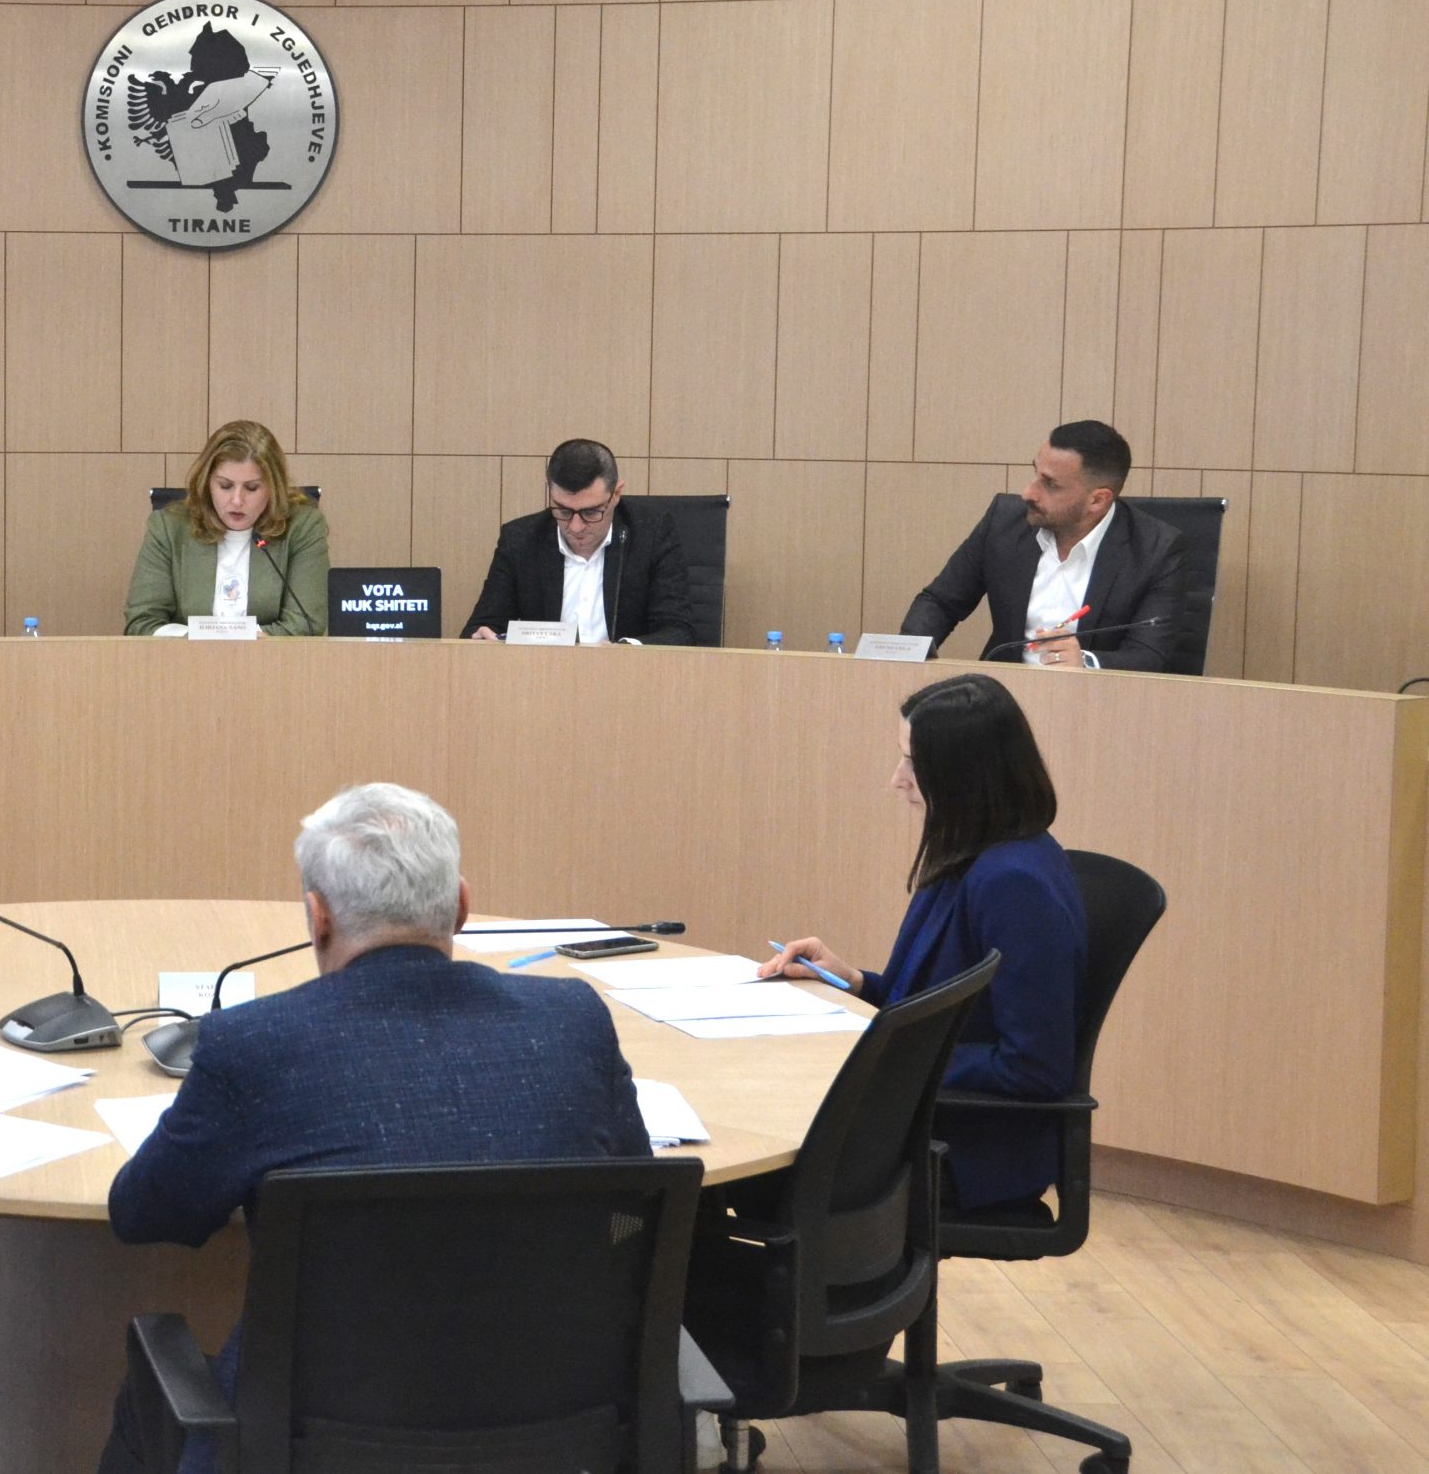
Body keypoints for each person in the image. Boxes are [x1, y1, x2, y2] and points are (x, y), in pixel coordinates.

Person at [97, 782, 652, 1474]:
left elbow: (143, 1213)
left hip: (308, 1447)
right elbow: (635, 1201)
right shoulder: (572, 1020)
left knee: (144, 1400)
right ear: (461, 905)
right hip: (557, 1432)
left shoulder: (254, 1044)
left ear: (318, 916)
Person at [759, 673, 1086, 1211]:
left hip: (964, 1151)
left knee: (747, 1180)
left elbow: (1034, 1068)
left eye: (913, 764)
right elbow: (930, 1003)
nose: (897, 780)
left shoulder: (1015, 884)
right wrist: (853, 981)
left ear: (964, 775)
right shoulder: (970, 855)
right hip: (914, 1126)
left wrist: (885, 1058)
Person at [901, 420, 1188, 671]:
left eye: (1050, 484)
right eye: (1036, 473)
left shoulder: (1156, 550)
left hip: (1094, 701)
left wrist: (1085, 662)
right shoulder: (1004, 522)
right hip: (1004, 697)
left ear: (1097, 500)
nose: (1028, 493)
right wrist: (910, 656)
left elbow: (1149, 654)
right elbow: (940, 602)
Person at [461, 438, 693, 644]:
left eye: (591, 512)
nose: (575, 527)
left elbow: (679, 631)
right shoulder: (521, 539)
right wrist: (482, 637)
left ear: (616, 494)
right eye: (563, 510)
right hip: (543, 673)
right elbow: (481, 626)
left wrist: (624, 652)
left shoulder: (652, 534)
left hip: (629, 674)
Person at [123, 419, 329, 636]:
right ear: (206, 483)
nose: (237, 500)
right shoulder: (169, 528)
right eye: (225, 486)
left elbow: (306, 623)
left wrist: (231, 641)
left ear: (273, 488)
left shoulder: (302, 527)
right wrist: (204, 642)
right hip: (184, 657)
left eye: (252, 488)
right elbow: (141, 623)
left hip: (273, 658)